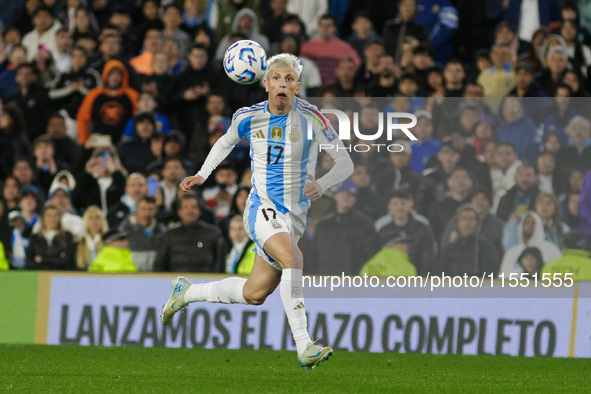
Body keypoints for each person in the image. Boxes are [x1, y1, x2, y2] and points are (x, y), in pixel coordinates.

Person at [160, 53, 353, 369]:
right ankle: (305, 346)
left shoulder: (314, 118)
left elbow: (346, 162)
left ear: (297, 86)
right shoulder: (248, 116)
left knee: (254, 293)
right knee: (294, 259)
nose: (282, 83)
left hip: (295, 217)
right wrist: (202, 175)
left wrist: (324, 183)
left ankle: (187, 293)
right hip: (262, 208)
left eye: (289, 79)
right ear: (265, 83)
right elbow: (224, 143)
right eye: (276, 77)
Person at [309, 179, 378, 276]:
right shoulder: (323, 225)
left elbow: (370, 255)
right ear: (335, 196)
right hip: (324, 280)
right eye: (342, 192)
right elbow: (314, 255)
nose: (346, 196)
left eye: (350, 193)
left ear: (355, 198)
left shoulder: (365, 224)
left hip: (353, 280)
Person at [154, 194, 223, 272]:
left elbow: (220, 263)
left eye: (194, 207)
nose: (190, 211)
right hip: (176, 282)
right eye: (186, 207)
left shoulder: (212, 233)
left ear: (199, 211)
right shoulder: (169, 235)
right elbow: (159, 265)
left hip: (206, 281)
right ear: (179, 212)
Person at [376, 188, 436, 276]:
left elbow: (428, 260)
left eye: (403, 204)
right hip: (389, 280)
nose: (400, 208)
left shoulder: (422, 229)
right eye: (395, 204)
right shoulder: (384, 230)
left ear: (410, 204)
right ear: (389, 206)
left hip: (416, 281)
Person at [438, 204, 499, 277]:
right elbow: (440, 273)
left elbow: (491, 273)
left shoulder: (485, 246)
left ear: (477, 223)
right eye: (464, 218)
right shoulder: (450, 247)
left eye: (471, 219)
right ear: (458, 223)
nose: (468, 222)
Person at [499, 211, 562, 275]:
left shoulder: (551, 250)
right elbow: (503, 277)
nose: (530, 226)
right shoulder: (512, 252)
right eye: (527, 223)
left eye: (533, 223)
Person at [25, 204, 75, 270]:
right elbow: (29, 262)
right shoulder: (35, 238)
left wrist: (42, 259)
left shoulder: (67, 236)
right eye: (49, 216)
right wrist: (57, 258)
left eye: (55, 216)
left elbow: (67, 260)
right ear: (43, 218)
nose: (52, 219)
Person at [75, 205, 108, 271]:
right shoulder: (78, 244)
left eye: (97, 218)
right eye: (90, 218)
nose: (94, 221)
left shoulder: (108, 243)